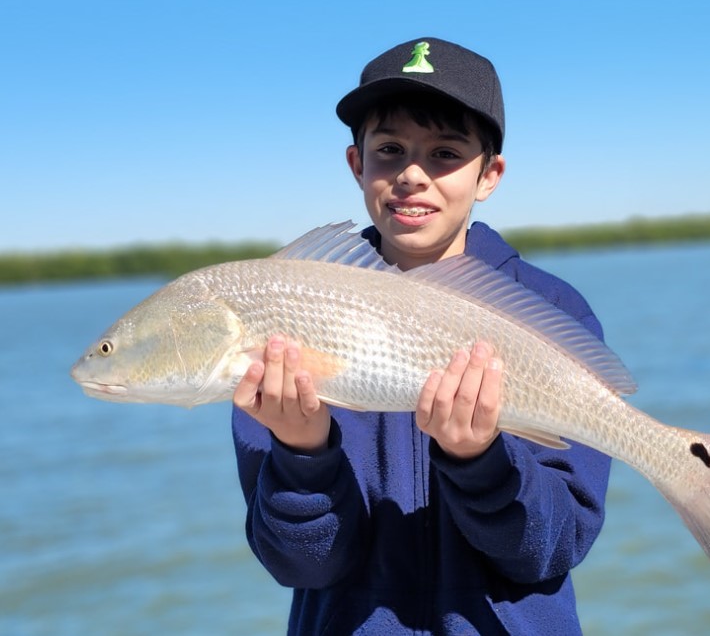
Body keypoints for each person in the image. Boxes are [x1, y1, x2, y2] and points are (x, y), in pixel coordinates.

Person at [231, 37, 611, 634]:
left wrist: (479, 460)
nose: (412, 174)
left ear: (490, 175)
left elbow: (551, 548)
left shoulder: (553, 309)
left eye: (444, 153)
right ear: (357, 165)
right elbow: (301, 565)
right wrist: (303, 451)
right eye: (389, 150)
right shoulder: (283, 312)